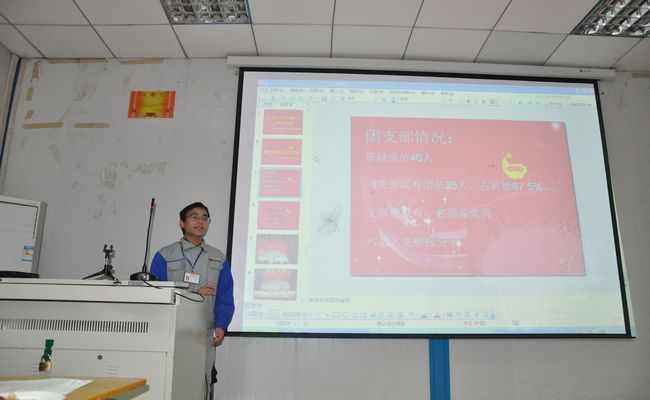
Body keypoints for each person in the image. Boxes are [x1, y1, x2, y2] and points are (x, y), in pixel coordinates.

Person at [150, 202, 234, 399]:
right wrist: (195, 292)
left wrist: (221, 325)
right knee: (171, 385)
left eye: (205, 218)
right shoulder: (164, 255)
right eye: (194, 217)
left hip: (204, 335)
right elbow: (156, 293)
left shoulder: (218, 257)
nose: (200, 221)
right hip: (171, 333)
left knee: (200, 386)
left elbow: (225, 295)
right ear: (182, 223)